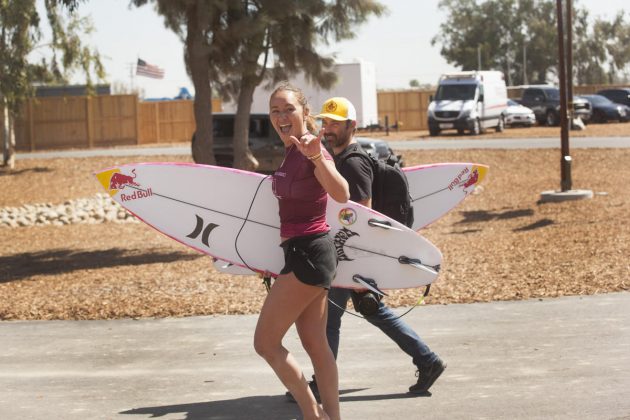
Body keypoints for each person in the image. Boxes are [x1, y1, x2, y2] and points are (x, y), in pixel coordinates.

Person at [289, 97, 446, 401]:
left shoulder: (353, 161)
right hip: (350, 253)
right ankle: (426, 359)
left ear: (352, 125)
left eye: (335, 123)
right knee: (369, 313)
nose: (328, 128)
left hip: (349, 254)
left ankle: (323, 384)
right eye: (326, 122)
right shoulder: (340, 158)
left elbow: (361, 213)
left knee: (329, 320)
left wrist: (349, 258)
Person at [254, 83, 350, 420]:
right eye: (275, 110)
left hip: (309, 253)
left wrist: (315, 157)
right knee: (315, 344)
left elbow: (341, 193)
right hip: (305, 252)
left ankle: (314, 415)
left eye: (288, 109)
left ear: (305, 113)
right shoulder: (291, 150)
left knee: (265, 343)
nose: (281, 116)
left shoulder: (312, 150)